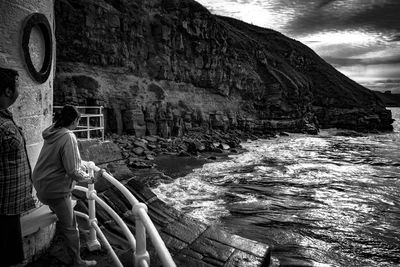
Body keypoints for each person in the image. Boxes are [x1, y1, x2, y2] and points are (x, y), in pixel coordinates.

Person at [33, 105, 103, 266]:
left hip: (40, 185)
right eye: (78, 120)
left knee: (61, 208)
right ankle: (77, 261)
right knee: (71, 228)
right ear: (75, 120)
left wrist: (83, 164)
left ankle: (56, 210)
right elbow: (72, 170)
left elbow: (67, 161)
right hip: (54, 190)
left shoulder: (53, 133)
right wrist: (92, 179)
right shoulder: (68, 136)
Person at [0, 67, 36, 266]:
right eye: (18, 85)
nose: (19, 89)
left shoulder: (6, 117)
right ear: (7, 91)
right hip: (3, 205)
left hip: (10, 205)